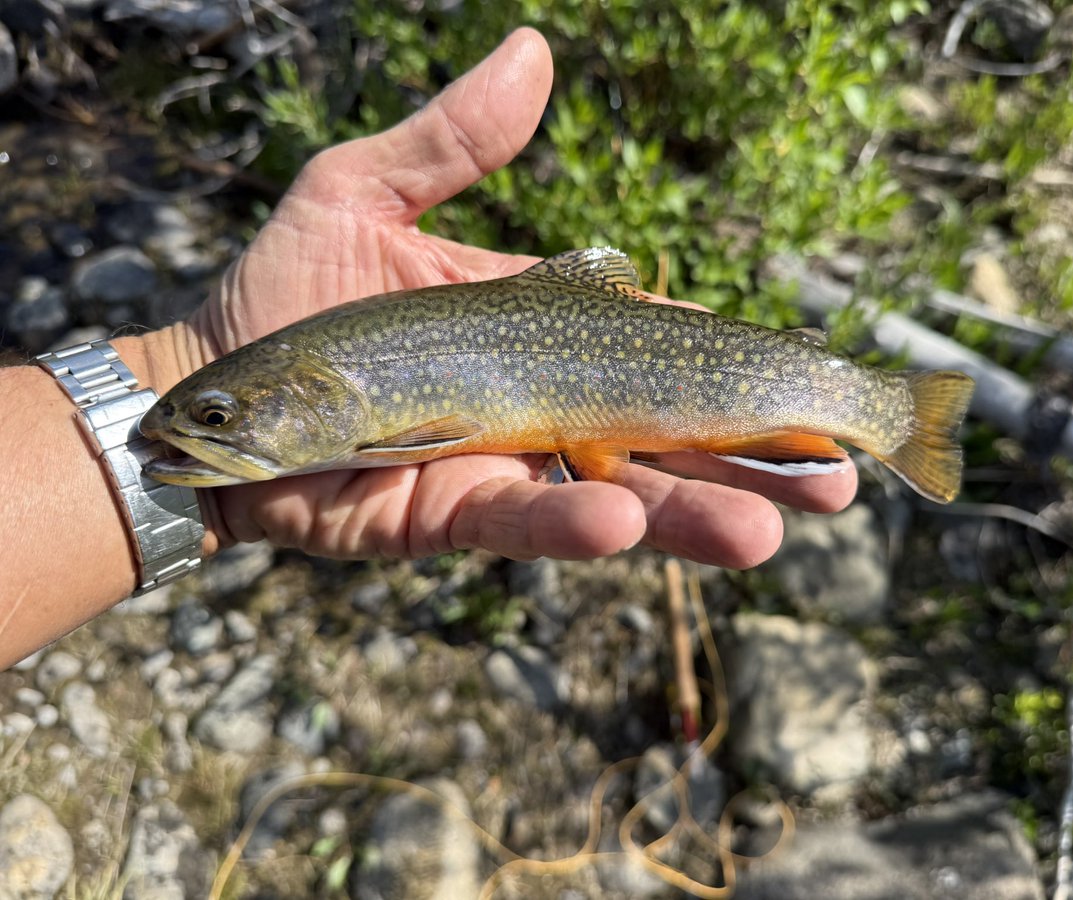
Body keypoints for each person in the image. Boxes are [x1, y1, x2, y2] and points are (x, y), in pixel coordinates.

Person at [0, 29, 856, 669]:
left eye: (218, 415)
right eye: (212, 416)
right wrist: (155, 407)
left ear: (312, 393)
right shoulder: (313, 383)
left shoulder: (346, 383)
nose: (198, 429)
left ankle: (869, 411)